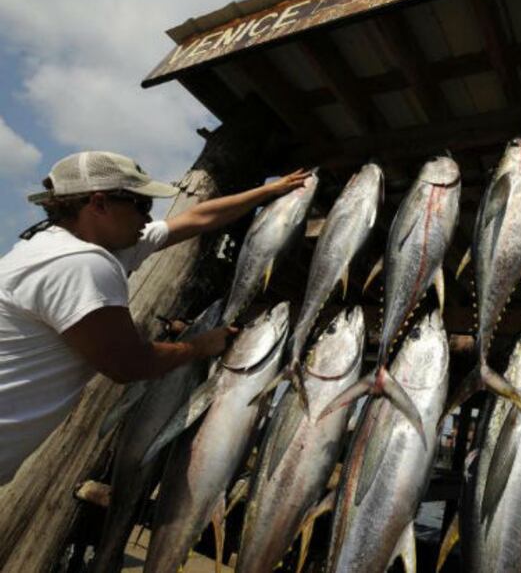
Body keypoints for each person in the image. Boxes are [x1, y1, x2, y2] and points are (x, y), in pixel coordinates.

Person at [0, 150, 310, 485]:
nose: (147, 218)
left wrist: (268, 192)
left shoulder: (61, 245)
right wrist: (199, 346)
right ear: (99, 204)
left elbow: (197, 219)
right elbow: (130, 366)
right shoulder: (79, 263)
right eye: (141, 205)